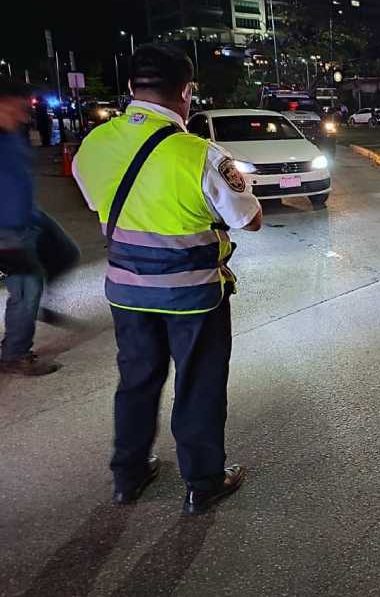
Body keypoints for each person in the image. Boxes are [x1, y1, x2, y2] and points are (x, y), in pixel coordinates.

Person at [73, 44, 263, 514]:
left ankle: (128, 475)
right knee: (198, 385)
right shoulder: (199, 154)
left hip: (126, 291)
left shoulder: (94, 144)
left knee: (136, 380)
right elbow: (248, 219)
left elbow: (96, 198)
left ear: (134, 89)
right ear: (186, 93)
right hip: (193, 296)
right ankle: (203, 483)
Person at [0, 79, 80, 376]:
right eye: (18, 108)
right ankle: (14, 354)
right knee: (26, 289)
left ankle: (42, 302)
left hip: (30, 216)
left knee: (66, 252)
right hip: (6, 230)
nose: (24, 116)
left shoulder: (11, 135)